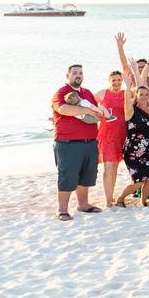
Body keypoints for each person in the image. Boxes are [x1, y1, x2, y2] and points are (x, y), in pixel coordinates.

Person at [52, 65, 104, 221]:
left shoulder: (87, 93)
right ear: (67, 75)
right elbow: (64, 109)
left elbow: (97, 112)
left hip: (89, 142)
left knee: (86, 175)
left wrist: (96, 112)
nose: (78, 75)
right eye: (74, 73)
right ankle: (62, 210)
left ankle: (83, 205)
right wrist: (87, 111)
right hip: (68, 143)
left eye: (80, 72)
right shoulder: (61, 92)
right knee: (67, 176)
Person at [117, 59, 149, 206]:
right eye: (141, 94)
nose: (144, 96)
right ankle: (121, 199)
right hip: (132, 150)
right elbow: (126, 100)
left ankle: (143, 201)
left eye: (146, 94)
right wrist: (128, 86)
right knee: (139, 180)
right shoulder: (131, 110)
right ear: (137, 96)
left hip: (147, 148)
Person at [95, 69, 129, 206]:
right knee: (108, 166)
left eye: (119, 80)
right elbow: (86, 104)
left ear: (122, 81)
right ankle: (108, 200)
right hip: (106, 134)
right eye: (113, 80)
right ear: (109, 81)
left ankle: (111, 195)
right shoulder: (102, 93)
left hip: (121, 135)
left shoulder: (126, 94)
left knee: (114, 166)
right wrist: (98, 112)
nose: (116, 83)